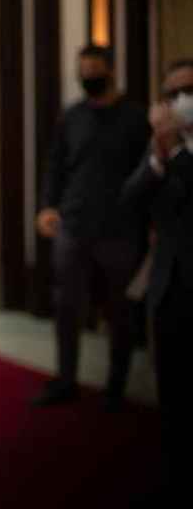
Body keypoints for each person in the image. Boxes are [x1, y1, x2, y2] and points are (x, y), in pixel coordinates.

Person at [33, 45, 150, 410]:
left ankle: (116, 386)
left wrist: (148, 224)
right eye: (82, 69)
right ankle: (65, 380)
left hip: (120, 228)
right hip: (73, 223)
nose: (87, 76)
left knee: (120, 312)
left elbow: (147, 174)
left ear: (111, 71)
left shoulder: (135, 118)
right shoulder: (72, 116)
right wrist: (48, 206)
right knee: (67, 306)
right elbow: (56, 165)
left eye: (94, 68)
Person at [120, 58, 193, 495]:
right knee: (175, 400)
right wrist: (159, 154)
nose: (181, 101)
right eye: (172, 94)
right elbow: (129, 202)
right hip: (171, 291)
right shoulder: (160, 151)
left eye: (188, 90)